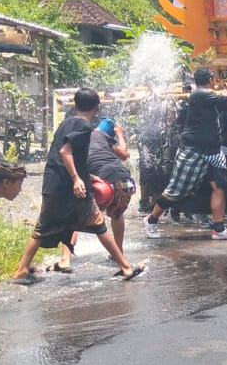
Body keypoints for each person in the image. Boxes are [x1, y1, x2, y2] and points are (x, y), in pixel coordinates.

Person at [12, 89, 145, 283]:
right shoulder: (84, 126)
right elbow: (66, 152)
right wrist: (77, 178)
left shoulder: (66, 123)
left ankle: (22, 270)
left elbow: (61, 154)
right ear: (97, 107)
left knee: (42, 228)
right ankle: (125, 267)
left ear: (75, 105)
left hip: (54, 183)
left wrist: (85, 175)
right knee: (98, 224)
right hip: (70, 188)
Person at [144, 69, 227, 240]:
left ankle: (218, 229)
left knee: (220, 186)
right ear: (211, 79)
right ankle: (151, 220)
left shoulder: (205, 95)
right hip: (194, 150)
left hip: (213, 151)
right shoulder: (199, 94)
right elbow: (226, 102)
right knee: (176, 190)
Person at [57, 115, 137, 272]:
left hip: (103, 182)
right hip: (125, 181)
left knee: (77, 217)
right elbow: (124, 154)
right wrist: (120, 134)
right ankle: (118, 252)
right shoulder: (105, 137)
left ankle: (65, 258)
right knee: (117, 215)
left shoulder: (85, 134)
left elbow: (67, 157)